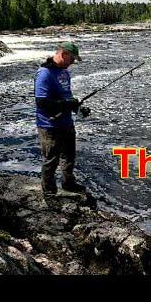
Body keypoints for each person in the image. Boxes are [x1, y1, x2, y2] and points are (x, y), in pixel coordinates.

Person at [34, 41, 89, 197]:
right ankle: (49, 192)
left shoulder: (65, 73)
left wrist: (77, 108)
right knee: (51, 161)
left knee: (69, 156)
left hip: (66, 123)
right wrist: (67, 103)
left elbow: (67, 97)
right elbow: (42, 102)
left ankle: (68, 183)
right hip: (49, 126)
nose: (72, 63)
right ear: (63, 54)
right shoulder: (44, 73)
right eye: (71, 60)